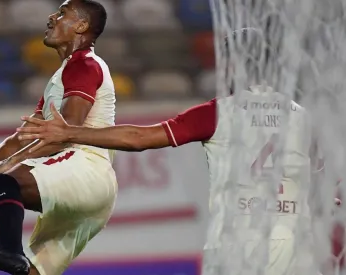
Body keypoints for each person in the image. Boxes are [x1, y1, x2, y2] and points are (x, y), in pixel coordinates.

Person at [17, 29, 327, 275]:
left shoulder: (218, 113)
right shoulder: (302, 116)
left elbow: (139, 138)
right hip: (294, 245)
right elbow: (325, 192)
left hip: (236, 243)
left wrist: (70, 132)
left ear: (232, 64)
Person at [0, 1, 117, 275]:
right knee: (33, 272)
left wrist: (5, 166)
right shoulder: (63, 75)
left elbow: (64, 135)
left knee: (5, 181)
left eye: (61, 13)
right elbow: (25, 136)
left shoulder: (84, 65)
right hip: (86, 193)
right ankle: (13, 255)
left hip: (86, 169)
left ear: (81, 26)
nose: (51, 17)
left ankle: (9, 250)